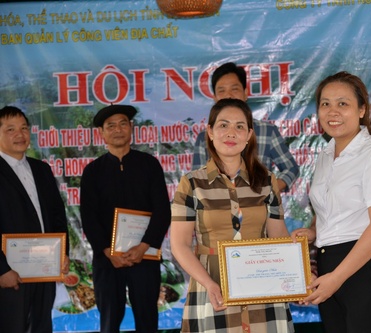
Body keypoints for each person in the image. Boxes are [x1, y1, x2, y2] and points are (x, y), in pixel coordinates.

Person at [171, 98, 295, 332]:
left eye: (239, 126)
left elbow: (279, 237)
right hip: (212, 286)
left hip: (263, 284)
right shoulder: (192, 183)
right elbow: (180, 245)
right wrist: (209, 284)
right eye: (223, 125)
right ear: (210, 131)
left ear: (249, 135)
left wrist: (297, 273)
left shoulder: (266, 181)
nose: (231, 133)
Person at [291, 72, 371, 332]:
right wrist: (312, 231)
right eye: (325, 104)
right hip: (329, 264)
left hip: (365, 268)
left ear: (362, 110)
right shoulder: (325, 155)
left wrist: (337, 278)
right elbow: (327, 212)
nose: (333, 111)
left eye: (343, 103)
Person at [80, 104, 171, 333]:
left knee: (147, 318)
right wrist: (107, 251)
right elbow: (88, 217)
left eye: (123, 123)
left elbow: (162, 211)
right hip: (107, 260)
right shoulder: (92, 172)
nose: (117, 129)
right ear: (102, 133)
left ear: (131, 128)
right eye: (110, 126)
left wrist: (143, 246)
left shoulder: (149, 165)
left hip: (145, 256)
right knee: (109, 321)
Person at [0, 106, 69, 333]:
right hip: (9, 275)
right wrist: (1, 270)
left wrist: (62, 253)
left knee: (42, 326)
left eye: (24, 128)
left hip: (44, 271)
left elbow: (58, 217)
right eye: (10, 129)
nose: (19, 134)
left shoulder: (42, 169)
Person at [192, 62, 299, 192]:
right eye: (222, 91)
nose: (229, 95)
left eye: (234, 89)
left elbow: (291, 168)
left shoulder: (267, 131)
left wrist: (267, 192)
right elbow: (198, 181)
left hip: (260, 209)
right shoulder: (205, 137)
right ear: (214, 98)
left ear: (245, 93)